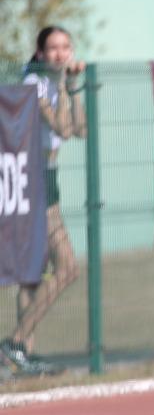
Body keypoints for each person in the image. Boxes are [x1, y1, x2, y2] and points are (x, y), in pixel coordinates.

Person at [2, 26, 86, 377]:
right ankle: (15, 343)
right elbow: (64, 128)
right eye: (52, 48)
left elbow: (80, 129)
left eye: (66, 47)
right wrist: (66, 86)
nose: (60, 54)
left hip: (47, 177)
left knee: (33, 275)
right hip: (32, 179)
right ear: (39, 52)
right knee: (67, 267)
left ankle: (19, 355)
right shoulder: (35, 83)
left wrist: (73, 89)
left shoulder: (55, 83)